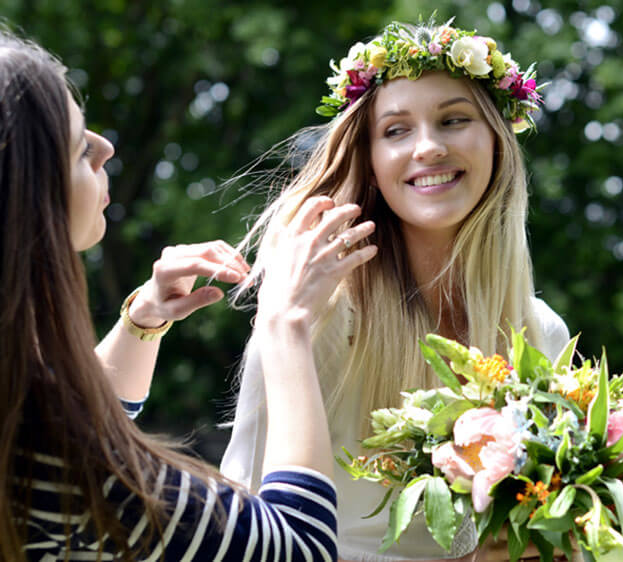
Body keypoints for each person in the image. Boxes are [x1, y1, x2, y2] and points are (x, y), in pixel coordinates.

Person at [0, 27, 374, 560]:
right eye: (82, 147)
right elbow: (299, 548)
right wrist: (285, 321)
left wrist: (143, 321)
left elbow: (63, 407)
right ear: (27, 195)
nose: (107, 147)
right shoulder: (63, 456)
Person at [221, 19, 570, 562]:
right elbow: (254, 535)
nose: (428, 147)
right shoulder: (317, 319)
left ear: (497, 145)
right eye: (396, 130)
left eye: (454, 120)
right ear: (372, 162)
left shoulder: (540, 331)